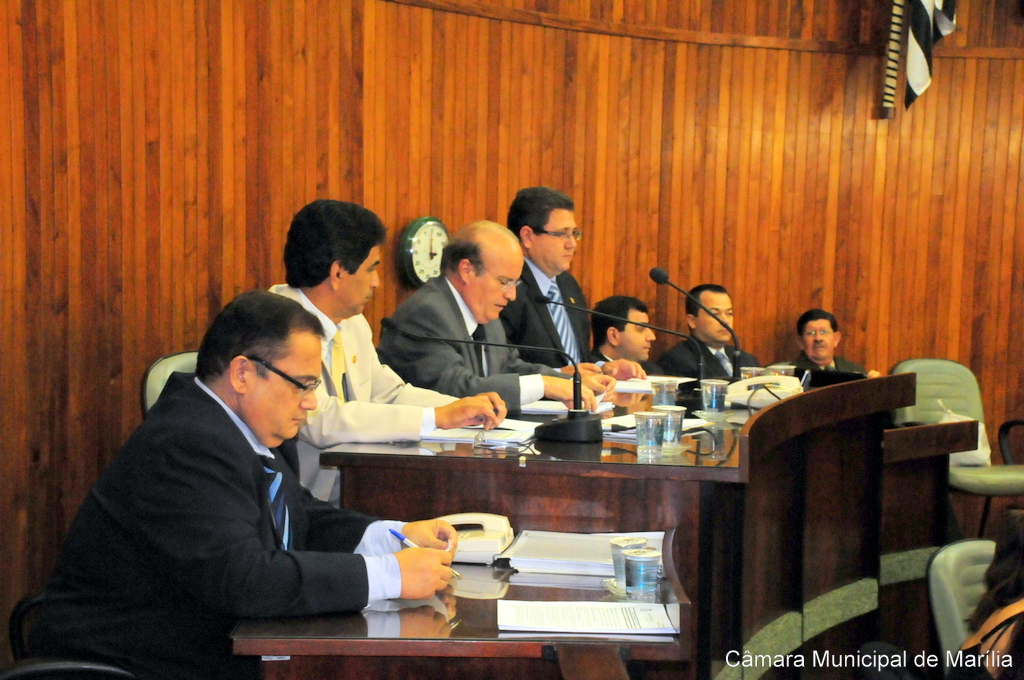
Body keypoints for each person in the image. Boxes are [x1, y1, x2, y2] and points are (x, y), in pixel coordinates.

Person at [29, 291, 459, 680]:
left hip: (209, 645)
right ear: (242, 374)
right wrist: (388, 575)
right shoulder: (185, 442)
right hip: (134, 661)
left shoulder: (245, 428)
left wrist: (391, 535)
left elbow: (298, 515)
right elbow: (245, 579)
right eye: (303, 384)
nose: (311, 401)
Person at [270, 199, 506, 503]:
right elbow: (320, 421)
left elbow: (389, 393)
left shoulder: (352, 322)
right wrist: (435, 417)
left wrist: (461, 407)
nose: (377, 283)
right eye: (371, 269)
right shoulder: (277, 325)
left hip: (359, 487)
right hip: (306, 501)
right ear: (338, 273)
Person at [377, 220, 614, 412]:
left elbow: (509, 366)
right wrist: (543, 385)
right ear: (467, 270)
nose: (512, 295)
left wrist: (570, 382)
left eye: (515, 283)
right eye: (504, 282)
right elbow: (454, 387)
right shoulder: (426, 313)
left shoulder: (485, 315)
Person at [499, 187, 643, 380]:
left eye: (574, 233)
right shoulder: (507, 288)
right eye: (561, 234)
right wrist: (559, 376)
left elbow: (577, 358)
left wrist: (603, 367)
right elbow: (500, 365)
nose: (572, 244)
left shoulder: (568, 285)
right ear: (527, 236)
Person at [657, 283, 760, 379]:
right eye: (714, 314)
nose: (725, 321)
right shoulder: (677, 361)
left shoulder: (747, 359)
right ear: (692, 321)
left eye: (729, 314)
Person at [789, 308, 881, 378]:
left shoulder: (855, 370)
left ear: (836, 339)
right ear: (800, 342)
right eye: (811, 333)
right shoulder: (791, 375)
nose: (818, 338)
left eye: (824, 332)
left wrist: (874, 385)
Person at [588, 295, 663, 375]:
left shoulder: (652, 371)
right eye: (641, 329)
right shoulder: (587, 371)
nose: (652, 337)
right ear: (613, 336)